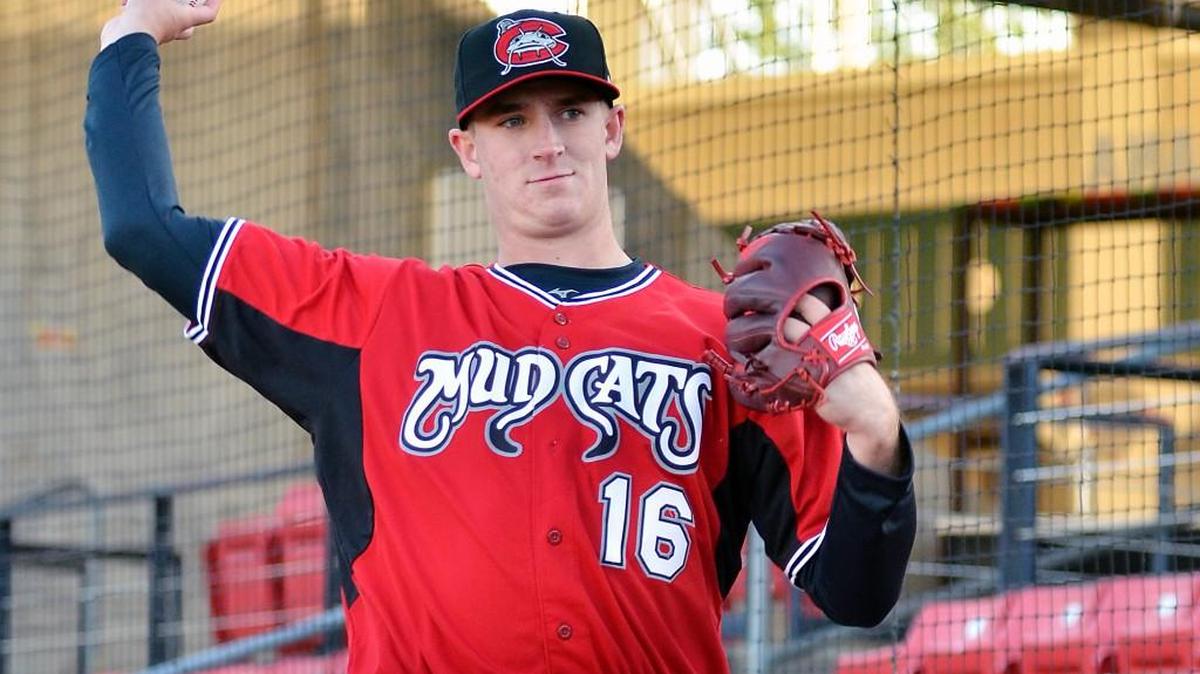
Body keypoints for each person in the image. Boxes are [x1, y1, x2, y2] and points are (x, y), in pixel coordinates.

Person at [85, 2, 917, 672]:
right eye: (510, 120)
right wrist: (129, 39)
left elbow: (855, 594)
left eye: (571, 110)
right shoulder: (377, 313)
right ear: (467, 151)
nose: (547, 142)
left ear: (612, 129)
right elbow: (144, 231)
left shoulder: (726, 342)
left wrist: (877, 438)